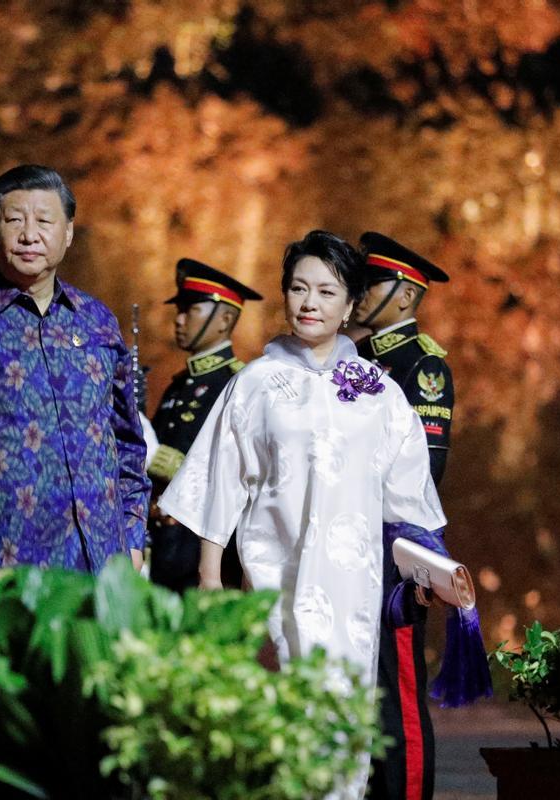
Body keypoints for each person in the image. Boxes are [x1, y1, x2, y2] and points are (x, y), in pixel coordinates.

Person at [158, 230, 448, 800]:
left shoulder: (379, 393)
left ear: (350, 304)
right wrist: (211, 575)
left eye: (326, 291)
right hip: (274, 582)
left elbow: (409, 500)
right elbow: (220, 480)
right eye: (297, 288)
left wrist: (427, 569)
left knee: (343, 727)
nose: (309, 303)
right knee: (279, 727)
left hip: (352, 590)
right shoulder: (255, 384)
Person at [0, 164, 150, 599]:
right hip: (3, 554)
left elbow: (127, 439)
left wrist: (133, 533)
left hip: (101, 557)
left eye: (44, 220)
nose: (29, 234)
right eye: (14, 219)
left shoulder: (97, 320)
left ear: (69, 232)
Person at [351, 232, 453, 800]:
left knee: (399, 695)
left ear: (407, 295)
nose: (360, 294)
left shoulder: (422, 368)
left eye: (373, 284)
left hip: (394, 554)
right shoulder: (354, 362)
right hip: (350, 552)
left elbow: (423, 472)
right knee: (362, 692)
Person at [147, 258, 261, 592]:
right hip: (164, 544)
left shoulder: (236, 384)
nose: (179, 320)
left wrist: (159, 458)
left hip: (201, 552)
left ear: (225, 318)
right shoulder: (178, 385)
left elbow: (233, 472)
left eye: (190, 310)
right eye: (178, 310)